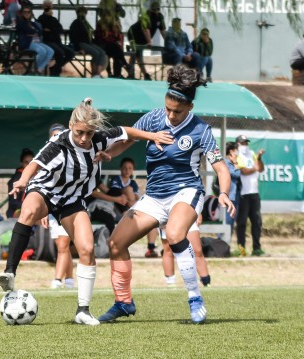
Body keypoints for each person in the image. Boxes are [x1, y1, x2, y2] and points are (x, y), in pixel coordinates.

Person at [0, 98, 173, 326]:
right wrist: (22, 181)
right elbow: (34, 165)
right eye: (79, 132)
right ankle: (10, 272)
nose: (84, 138)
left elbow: (126, 132)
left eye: (88, 134)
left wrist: (154, 136)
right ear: (71, 126)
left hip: (72, 199)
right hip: (46, 191)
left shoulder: (99, 139)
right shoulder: (57, 145)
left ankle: (83, 310)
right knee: (28, 211)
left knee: (87, 248)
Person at [97, 65, 235, 324]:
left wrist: (224, 192)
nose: (170, 115)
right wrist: (109, 154)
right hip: (154, 197)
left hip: (186, 191)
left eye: (177, 111)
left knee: (174, 234)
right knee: (116, 243)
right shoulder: (153, 118)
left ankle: (195, 297)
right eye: (168, 108)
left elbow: (219, 166)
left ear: (190, 108)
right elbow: (127, 139)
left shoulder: (201, 130)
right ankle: (123, 302)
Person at [44, 123, 75, 289]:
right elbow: (43, 187)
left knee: (63, 246)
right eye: (53, 135)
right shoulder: (46, 158)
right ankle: (69, 280)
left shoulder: (72, 156)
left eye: (59, 135)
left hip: (69, 206)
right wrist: (44, 211)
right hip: (52, 209)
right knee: (61, 246)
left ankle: (57, 280)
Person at [235, 134, 266, 257]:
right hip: (243, 194)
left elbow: (261, 169)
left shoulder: (252, 153)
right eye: (243, 143)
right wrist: (255, 167)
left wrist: (258, 158)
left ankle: (256, 248)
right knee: (241, 223)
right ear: (238, 144)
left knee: (257, 222)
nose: (245, 145)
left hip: (254, 193)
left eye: (246, 143)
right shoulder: (236, 156)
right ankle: (241, 248)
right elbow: (244, 171)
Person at [161, 216, 211, 287]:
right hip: (167, 215)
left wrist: (198, 212)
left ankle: (206, 283)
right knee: (168, 250)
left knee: (197, 250)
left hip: (187, 212)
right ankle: (170, 283)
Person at [38, 1, 75, 77]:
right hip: (47, 41)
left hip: (57, 42)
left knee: (71, 52)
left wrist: (51, 29)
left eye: (50, 6)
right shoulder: (41, 18)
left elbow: (60, 29)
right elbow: (43, 29)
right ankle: (56, 72)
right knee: (60, 52)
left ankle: (56, 68)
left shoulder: (54, 19)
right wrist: (53, 29)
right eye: (47, 6)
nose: (49, 8)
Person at [69, 6, 108, 78]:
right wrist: (78, 48)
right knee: (96, 53)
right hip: (80, 43)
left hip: (88, 43)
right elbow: (73, 37)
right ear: (78, 14)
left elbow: (89, 36)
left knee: (102, 52)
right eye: (81, 13)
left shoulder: (86, 24)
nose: (83, 15)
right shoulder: (75, 24)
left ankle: (98, 73)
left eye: (84, 13)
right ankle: (94, 74)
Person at [16, 5, 55, 75]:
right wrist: (33, 32)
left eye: (28, 12)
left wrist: (32, 32)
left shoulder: (32, 23)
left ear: (31, 13)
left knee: (51, 51)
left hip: (37, 42)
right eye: (25, 12)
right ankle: (34, 69)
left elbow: (40, 31)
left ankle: (39, 69)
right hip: (28, 43)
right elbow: (29, 31)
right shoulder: (20, 22)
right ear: (22, 13)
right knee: (42, 51)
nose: (27, 14)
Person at [94, 8, 132, 78]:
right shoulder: (100, 24)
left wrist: (117, 40)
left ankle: (117, 74)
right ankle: (125, 64)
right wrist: (113, 40)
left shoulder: (114, 23)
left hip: (111, 47)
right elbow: (101, 38)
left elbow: (117, 36)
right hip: (102, 46)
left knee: (117, 53)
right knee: (115, 48)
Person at [6, 148, 35, 218]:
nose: (29, 165)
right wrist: (28, 206)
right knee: (30, 215)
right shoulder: (16, 179)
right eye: (26, 162)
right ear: (22, 163)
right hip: (18, 210)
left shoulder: (39, 176)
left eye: (31, 161)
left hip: (35, 208)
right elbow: (13, 202)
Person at [126, 12, 152, 80]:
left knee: (135, 57)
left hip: (137, 41)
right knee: (136, 56)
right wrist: (149, 42)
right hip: (135, 40)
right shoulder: (143, 23)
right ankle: (142, 74)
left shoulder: (143, 23)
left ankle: (132, 73)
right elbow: (146, 31)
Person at [224, 141, 240, 234]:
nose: (237, 153)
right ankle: (222, 243)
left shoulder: (230, 163)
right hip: (229, 196)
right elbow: (236, 174)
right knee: (228, 221)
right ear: (231, 152)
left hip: (235, 195)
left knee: (232, 221)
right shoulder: (226, 163)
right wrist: (236, 164)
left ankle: (226, 244)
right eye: (236, 151)